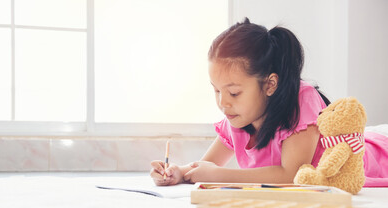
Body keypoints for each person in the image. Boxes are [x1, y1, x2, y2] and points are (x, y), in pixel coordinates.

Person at [150, 17, 388, 187]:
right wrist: (179, 172)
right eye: (216, 91)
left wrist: (219, 176)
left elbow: (291, 175)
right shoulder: (237, 117)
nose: (223, 103)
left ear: (270, 85)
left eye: (234, 93)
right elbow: (206, 166)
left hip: (372, 161)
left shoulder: (300, 100)